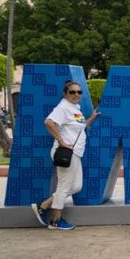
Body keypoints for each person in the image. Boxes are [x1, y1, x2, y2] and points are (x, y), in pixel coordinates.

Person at [31, 80, 99, 230]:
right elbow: (48, 122)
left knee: (76, 186)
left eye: (79, 92)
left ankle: (44, 206)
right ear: (65, 93)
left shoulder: (75, 109)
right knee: (64, 186)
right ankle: (55, 221)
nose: (76, 94)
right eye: (72, 92)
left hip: (76, 153)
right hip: (66, 153)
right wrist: (61, 141)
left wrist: (91, 119)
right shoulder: (63, 107)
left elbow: (79, 128)